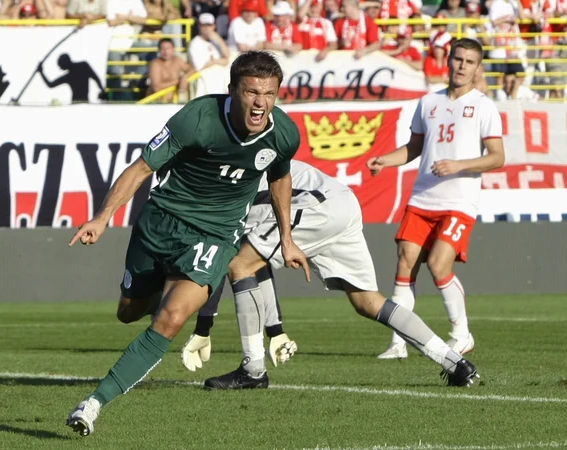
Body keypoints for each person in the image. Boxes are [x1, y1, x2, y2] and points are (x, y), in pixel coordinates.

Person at [65, 51, 306, 436]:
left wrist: (287, 239)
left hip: (216, 234)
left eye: (270, 93)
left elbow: (279, 178)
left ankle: (92, 404)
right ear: (233, 91)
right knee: (128, 312)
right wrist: (103, 217)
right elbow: (142, 167)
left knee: (172, 319)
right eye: (252, 92)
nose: (261, 102)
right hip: (161, 223)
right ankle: (163, 292)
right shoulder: (197, 118)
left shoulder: (284, 134)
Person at [181, 160, 481, 390]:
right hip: (341, 202)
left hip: (316, 205)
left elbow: (228, 266)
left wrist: (203, 328)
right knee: (368, 302)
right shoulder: (237, 167)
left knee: (239, 264)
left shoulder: (225, 188)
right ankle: (454, 363)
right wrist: (275, 331)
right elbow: (259, 266)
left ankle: (252, 371)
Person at [368, 38, 505, 360]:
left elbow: (497, 157)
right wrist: (384, 160)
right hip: (423, 197)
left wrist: (460, 165)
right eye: (458, 59)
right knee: (405, 265)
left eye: (469, 62)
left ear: (477, 67)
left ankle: (461, 334)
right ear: (448, 60)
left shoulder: (484, 105)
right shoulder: (429, 102)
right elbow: (413, 148)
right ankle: (399, 342)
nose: (461, 66)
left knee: (438, 263)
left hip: (459, 201)